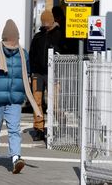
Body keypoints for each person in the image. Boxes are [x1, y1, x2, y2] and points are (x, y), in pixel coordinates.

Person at [0, 19, 41, 174]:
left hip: (14, 100)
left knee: (14, 130)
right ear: (5, 39)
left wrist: (22, 92)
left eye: (16, 40)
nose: (13, 44)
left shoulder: (23, 54)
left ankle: (15, 158)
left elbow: (25, 75)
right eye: (11, 40)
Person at [29, 10, 62, 141]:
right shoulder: (37, 37)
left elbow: (63, 52)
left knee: (55, 104)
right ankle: (39, 129)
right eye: (44, 22)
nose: (46, 25)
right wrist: (31, 72)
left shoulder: (59, 35)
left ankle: (61, 123)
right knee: (37, 102)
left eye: (48, 22)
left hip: (54, 75)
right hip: (38, 74)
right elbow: (31, 55)